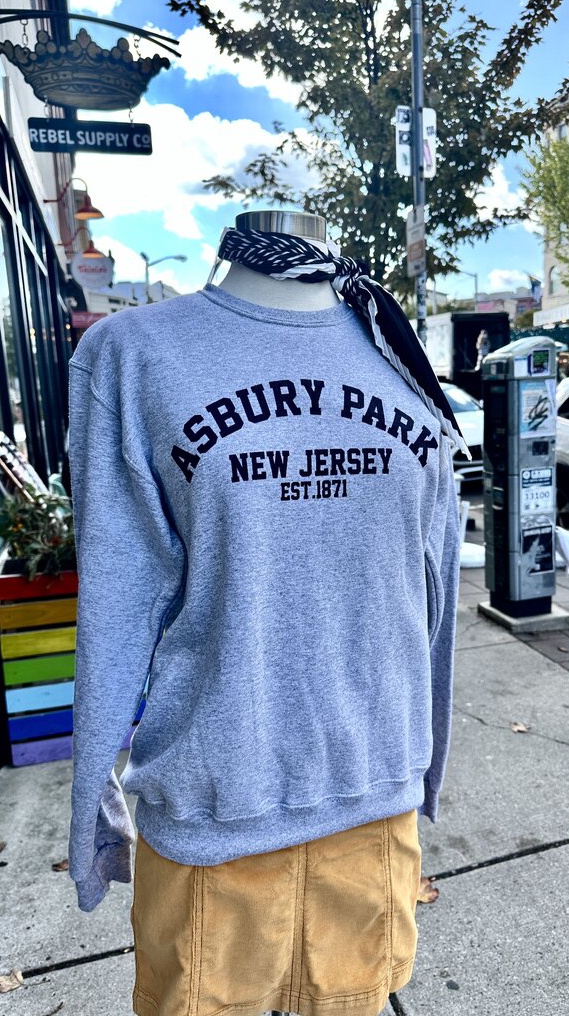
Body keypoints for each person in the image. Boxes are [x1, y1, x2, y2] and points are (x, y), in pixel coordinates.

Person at [67, 209, 464, 1016]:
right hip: (216, 821)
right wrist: (92, 811)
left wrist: (427, 770)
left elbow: (433, 602)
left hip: (373, 812)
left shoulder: (400, 356)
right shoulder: (133, 356)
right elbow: (114, 600)